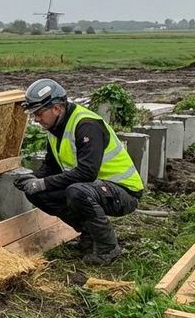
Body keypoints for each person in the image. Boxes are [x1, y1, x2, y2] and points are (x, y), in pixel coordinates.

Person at [13, 78, 143, 264]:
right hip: (94, 189)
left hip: (123, 192)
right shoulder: (55, 128)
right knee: (38, 193)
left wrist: (42, 182)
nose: (36, 119)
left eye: (39, 113)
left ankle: (108, 248)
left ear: (57, 108)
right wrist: (32, 179)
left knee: (77, 192)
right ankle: (89, 236)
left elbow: (87, 173)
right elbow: (51, 166)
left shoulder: (86, 125)